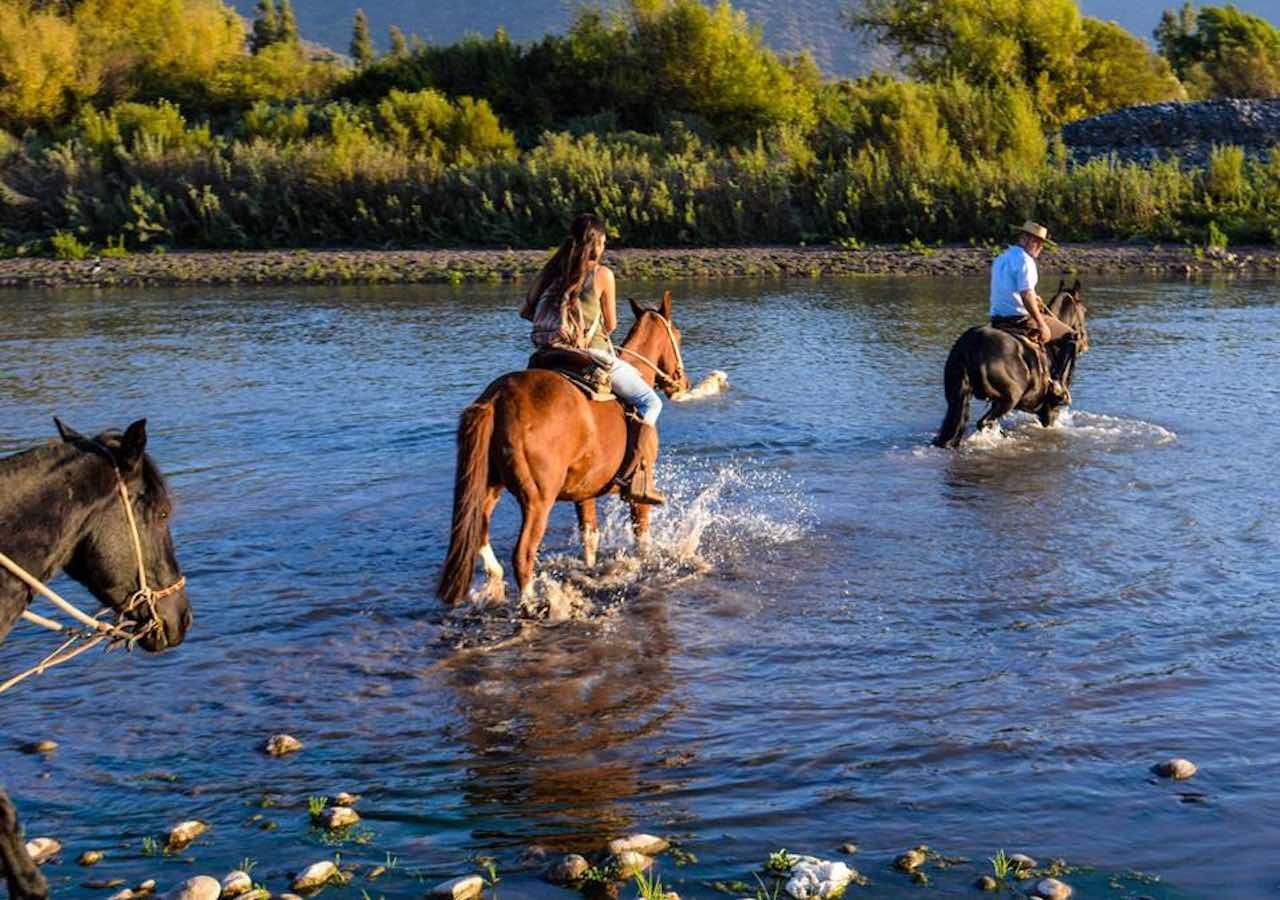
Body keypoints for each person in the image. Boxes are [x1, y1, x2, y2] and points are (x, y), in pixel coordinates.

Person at [520, 213, 666, 505]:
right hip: (588, 353)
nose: (605, 244)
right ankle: (636, 477)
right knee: (651, 402)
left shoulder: (551, 271)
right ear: (596, 243)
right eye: (604, 240)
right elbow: (610, 325)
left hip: (545, 356)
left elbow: (526, 311)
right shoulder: (602, 275)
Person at [989, 220, 1075, 402]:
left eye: (1041, 243)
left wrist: (1034, 297)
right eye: (1036, 241)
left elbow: (1013, 290)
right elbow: (1026, 294)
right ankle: (1057, 383)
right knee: (1071, 336)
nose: (1039, 247)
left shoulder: (1001, 258)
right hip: (1019, 318)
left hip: (997, 319)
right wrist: (1042, 324)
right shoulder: (1026, 261)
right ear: (1025, 238)